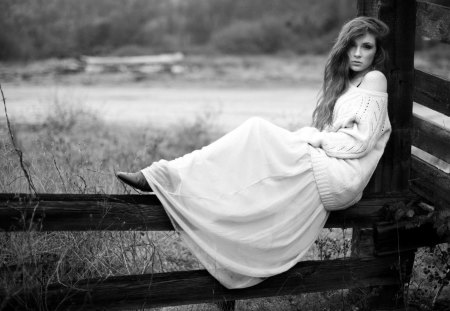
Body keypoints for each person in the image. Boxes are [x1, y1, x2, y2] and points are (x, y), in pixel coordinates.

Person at [116, 16, 391, 289]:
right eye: (352, 46)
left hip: (341, 175)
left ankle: (167, 175)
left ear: (377, 52)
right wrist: (314, 138)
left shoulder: (374, 80)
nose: (357, 53)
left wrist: (311, 137)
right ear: (343, 47)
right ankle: (190, 189)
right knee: (256, 164)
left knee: (257, 132)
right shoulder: (347, 83)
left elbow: (359, 144)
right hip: (331, 168)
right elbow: (335, 137)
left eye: (366, 47)